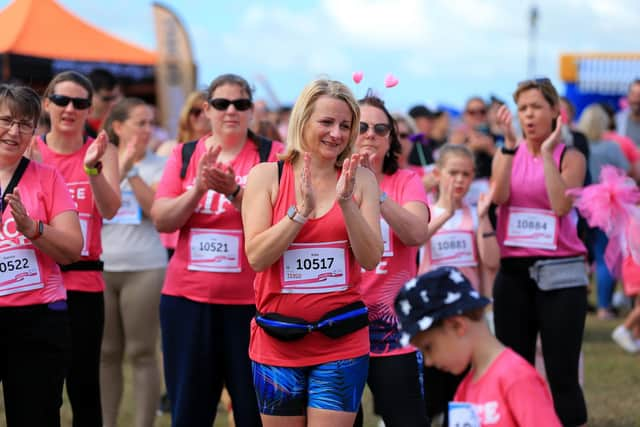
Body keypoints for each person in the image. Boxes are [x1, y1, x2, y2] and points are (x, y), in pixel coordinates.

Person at [242, 78, 383, 427]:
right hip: (278, 340)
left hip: (341, 342)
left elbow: (370, 258)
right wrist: (299, 213)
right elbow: (257, 257)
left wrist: (346, 203)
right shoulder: (266, 176)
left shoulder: (361, 180)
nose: (336, 133)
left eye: (345, 125)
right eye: (327, 122)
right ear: (303, 120)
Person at [151, 73, 282, 427]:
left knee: (255, 412)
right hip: (188, 302)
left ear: (251, 110)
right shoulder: (185, 153)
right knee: (190, 411)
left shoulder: (272, 156)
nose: (231, 111)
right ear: (206, 109)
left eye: (240, 104)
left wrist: (234, 192)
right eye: (222, 104)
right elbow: (162, 219)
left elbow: (282, 222)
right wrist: (197, 189)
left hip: (253, 305)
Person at [491, 78, 588, 426]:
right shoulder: (508, 152)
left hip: (561, 273)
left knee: (562, 374)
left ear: (554, 112)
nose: (528, 115)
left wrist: (546, 153)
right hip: (514, 273)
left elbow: (561, 205)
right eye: (522, 109)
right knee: (515, 371)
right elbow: (499, 197)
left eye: (536, 107)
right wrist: (507, 146)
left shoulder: (570, 156)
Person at [37, 70, 121, 427]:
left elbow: (110, 209)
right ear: (46, 104)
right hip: (38, 286)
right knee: (41, 389)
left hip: (84, 285)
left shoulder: (103, 151)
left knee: (85, 387)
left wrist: (92, 170)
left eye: (80, 103)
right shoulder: (31, 150)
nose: (69, 109)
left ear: (90, 110)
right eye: (61, 100)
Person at [0, 83, 83, 427]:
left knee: (36, 415)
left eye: (25, 124)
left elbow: (72, 249)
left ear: (35, 131)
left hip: (38, 320)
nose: (14, 131)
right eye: (6, 120)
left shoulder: (47, 178)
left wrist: (33, 228)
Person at [394, 267, 562, 427]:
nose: (428, 361)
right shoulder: (464, 391)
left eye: (428, 347)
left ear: (457, 326)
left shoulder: (516, 378)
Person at [352, 94, 430, 426]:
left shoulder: (407, 181)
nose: (371, 134)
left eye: (380, 129)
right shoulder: (329, 179)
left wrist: (375, 191)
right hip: (340, 326)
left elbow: (416, 233)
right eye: (363, 126)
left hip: (392, 331)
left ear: (390, 140)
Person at [100, 98, 168, 427]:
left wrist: (132, 172)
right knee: (106, 353)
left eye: (150, 123)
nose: (147, 130)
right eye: (140, 123)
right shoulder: (97, 160)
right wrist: (114, 171)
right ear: (117, 127)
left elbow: (158, 212)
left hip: (145, 267)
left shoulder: (160, 165)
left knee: (142, 352)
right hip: (101, 268)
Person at [577, 104, 630, 319]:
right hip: (608, 208)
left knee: (583, 255)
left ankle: (582, 302)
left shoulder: (576, 145)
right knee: (606, 256)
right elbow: (625, 170)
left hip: (581, 204)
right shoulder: (612, 147)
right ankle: (603, 306)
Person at [156, 91, 211, 158]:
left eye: (207, 110)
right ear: (187, 114)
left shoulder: (221, 150)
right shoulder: (169, 149)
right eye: (196, 111)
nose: (202, 115)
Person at [86, 68, 122, 137]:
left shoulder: (123, 120)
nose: (112, 103)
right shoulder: (79, 121)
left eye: (115, 97)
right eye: (106, 99)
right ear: (91, 95)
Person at [615, 78, 640, 147]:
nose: (635, 99)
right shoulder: (617, 120)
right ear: (628, 96)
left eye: (639, 95)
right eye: (633, 94)